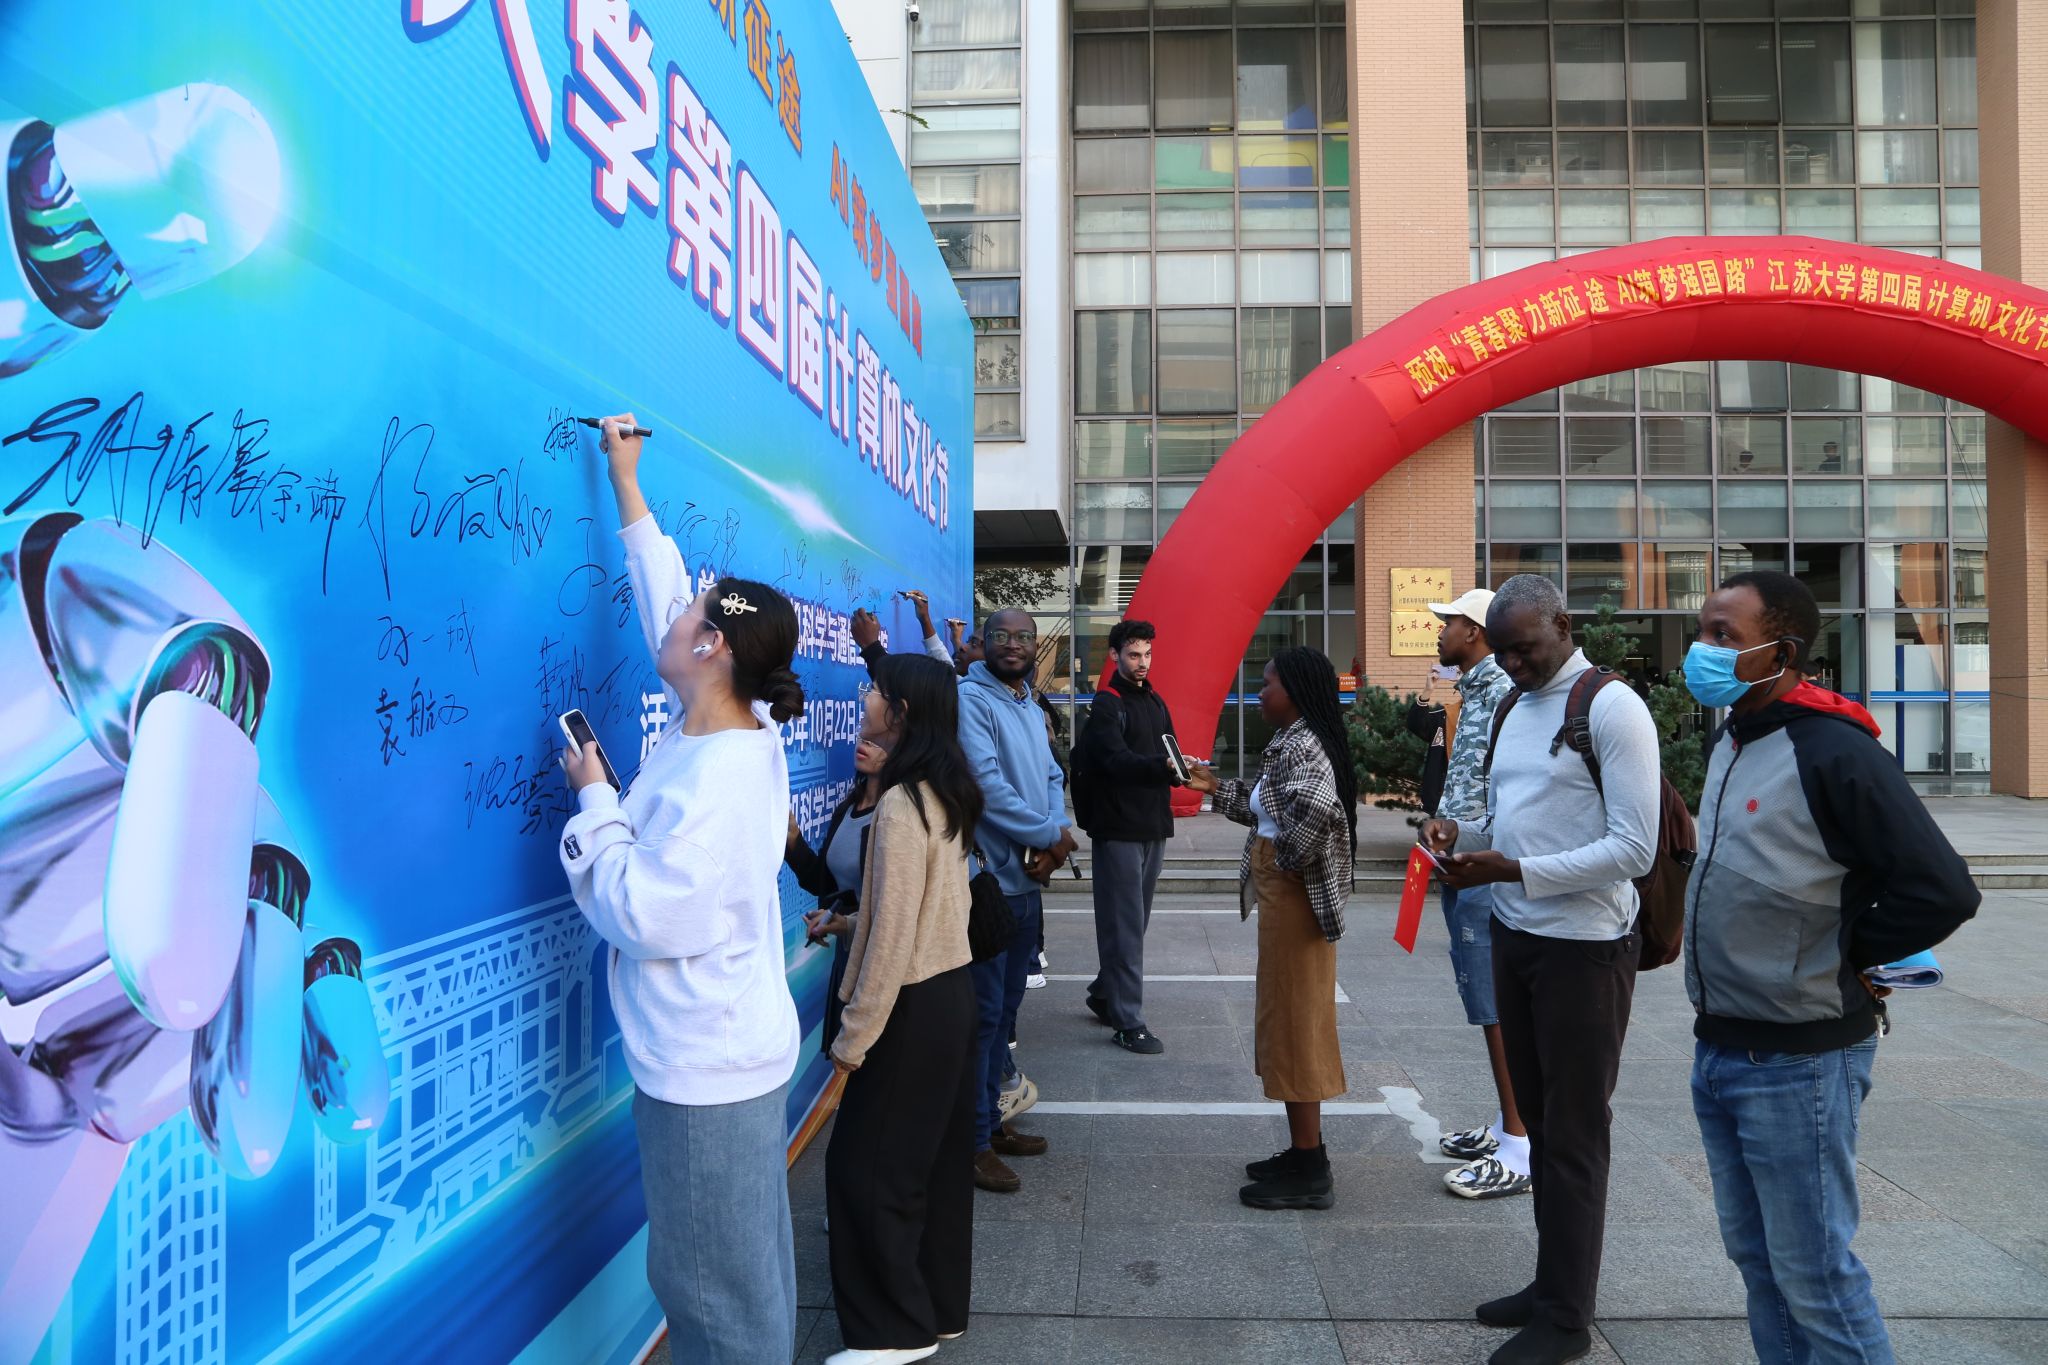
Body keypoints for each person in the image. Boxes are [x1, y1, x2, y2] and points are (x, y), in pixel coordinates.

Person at [1681, 571, 1978, 1365]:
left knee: (1816, 1277)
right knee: (1761, 1264)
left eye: (1724, 636)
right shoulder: (1733, 738)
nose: (1702, 649)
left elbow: (1944, 888)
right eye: (1702, 629)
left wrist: (1849, 948)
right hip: (1722, 1047)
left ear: (1782, 652)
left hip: (1800, 1062)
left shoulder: (1834, 749)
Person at [557, 414, 803, 1364]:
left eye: (693, 616)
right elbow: (667, 587)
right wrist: (627, 482)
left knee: (712, 1300)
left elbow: (645, 912)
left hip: (705, 1068)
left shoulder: (720, 776)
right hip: (725, 1051)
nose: (674, 616)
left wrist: (596, 800)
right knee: (742, 1279)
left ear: (714, 651)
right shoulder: (731, 725)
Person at [1421, 573, 1659, 1365]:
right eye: (1503, 650)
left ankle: (1566, 1318)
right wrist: (1462, 834)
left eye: (1523, 648)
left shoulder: (1613, 707)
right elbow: (1513, 818)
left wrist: (1514, 870)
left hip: (1585, 949)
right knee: (1543, 1123)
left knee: (1575, 1133)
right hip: (1516, 935)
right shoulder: (1515, 707)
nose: (1513, 664)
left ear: (1563, 622)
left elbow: (1634, 848)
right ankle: (1550, 1283)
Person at [820, 654, 985, 1365]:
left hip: (911, 1005)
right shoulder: (946, 788)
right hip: (951, 993)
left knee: (867, 1169)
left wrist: (852, 1039)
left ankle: (894, 1332)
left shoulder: (898, 804)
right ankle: (939, 1309)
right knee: (936, 1166)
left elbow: (892, 937)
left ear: (903, 712)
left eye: (877, 692)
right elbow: (925, 912)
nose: (867, 699)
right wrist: (850, 926)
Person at [1186, 647, 1356, 1212]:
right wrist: (1213, 787)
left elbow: (1318, 810)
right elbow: (1270, 809)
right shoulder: (1293, 739)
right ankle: (1305, 1152)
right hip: (1288, 897)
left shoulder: (1302, 745)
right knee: (1286, 1017)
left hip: (1295, 899)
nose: (1259, 693)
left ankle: (1309, 1169)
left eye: (1267, 684)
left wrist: (1285, 858)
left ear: (1296, 691)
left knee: (1296, 1023)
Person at [956, 607, 1072, 1193]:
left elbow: (1051, 775)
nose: (1012, 645)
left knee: (1005, 1015)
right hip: (990, 888)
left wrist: (1052, 836)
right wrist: (1050, 836)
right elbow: (986, 787)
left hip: (1028, 884)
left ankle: (992, 1118)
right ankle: (972, 1143)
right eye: (1000, 636)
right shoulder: (969, 700)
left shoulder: (1027, 702)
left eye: (1023, 637)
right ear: (982, 642)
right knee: (981, 1021)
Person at [1421, 587, 1531, 1202]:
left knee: (1494, 1002)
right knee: (1484, 996)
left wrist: (1467, 840)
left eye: (1450, 622)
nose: (1440, 632)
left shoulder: (1503, 691)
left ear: (1476, 631)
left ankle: (1519, 1144)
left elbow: (1505, 791)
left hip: (1484, 863)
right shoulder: (1476, 690)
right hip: (1463, 855)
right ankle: (1507, 1123)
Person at [1072, 619, 1178, 1055]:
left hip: (1153, 825)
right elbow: (1114, 760)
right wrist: (1160, 767)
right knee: (1125, 928)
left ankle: (1104, 994)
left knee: (1133, 926)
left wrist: (1180, 765)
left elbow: (1167, 749)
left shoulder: (1155, 700)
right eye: (1134, 654)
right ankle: (1128, 1022)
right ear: (1115, 655)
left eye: (1147, 654)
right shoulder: (1107, 703)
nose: (1142, 662)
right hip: (1118, 830)